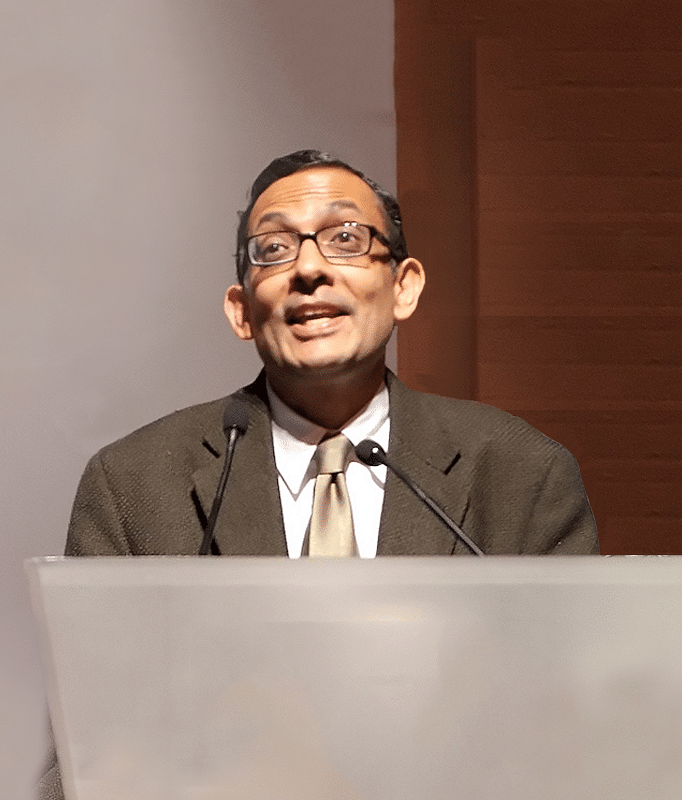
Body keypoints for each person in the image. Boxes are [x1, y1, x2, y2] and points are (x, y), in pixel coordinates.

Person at [37, 149, 597, 798]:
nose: (308, 268)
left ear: (404, 285)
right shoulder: (134, 484)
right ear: (241, 310)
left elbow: (569, 735)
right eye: (273, 249)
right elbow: (86, 757)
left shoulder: (520, 473)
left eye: (345, 239)